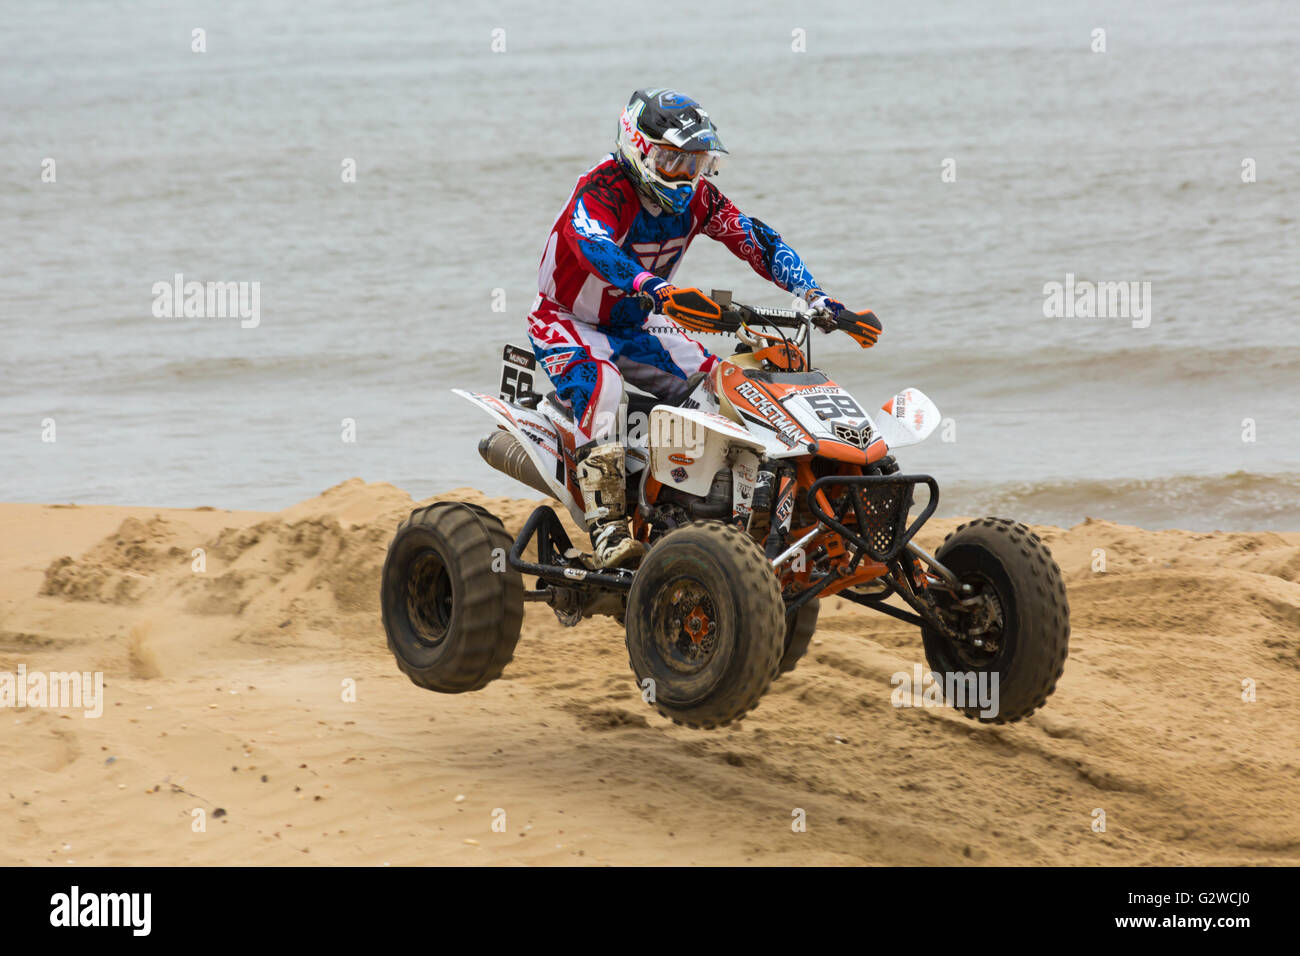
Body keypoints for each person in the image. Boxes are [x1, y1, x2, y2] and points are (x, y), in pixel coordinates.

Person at [527, 87, 854, 568]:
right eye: (672, 161)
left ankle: (696, 508)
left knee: (723, 387)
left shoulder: (699, 198)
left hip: (637, 323)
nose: (685, 176)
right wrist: (654, 286)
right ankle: (608, 528)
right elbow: (590, 243)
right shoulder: (603, 188)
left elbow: (756, 240)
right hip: (566, 319)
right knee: (606, 388)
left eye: (695, 163)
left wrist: (815, 297)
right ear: (638, 148)